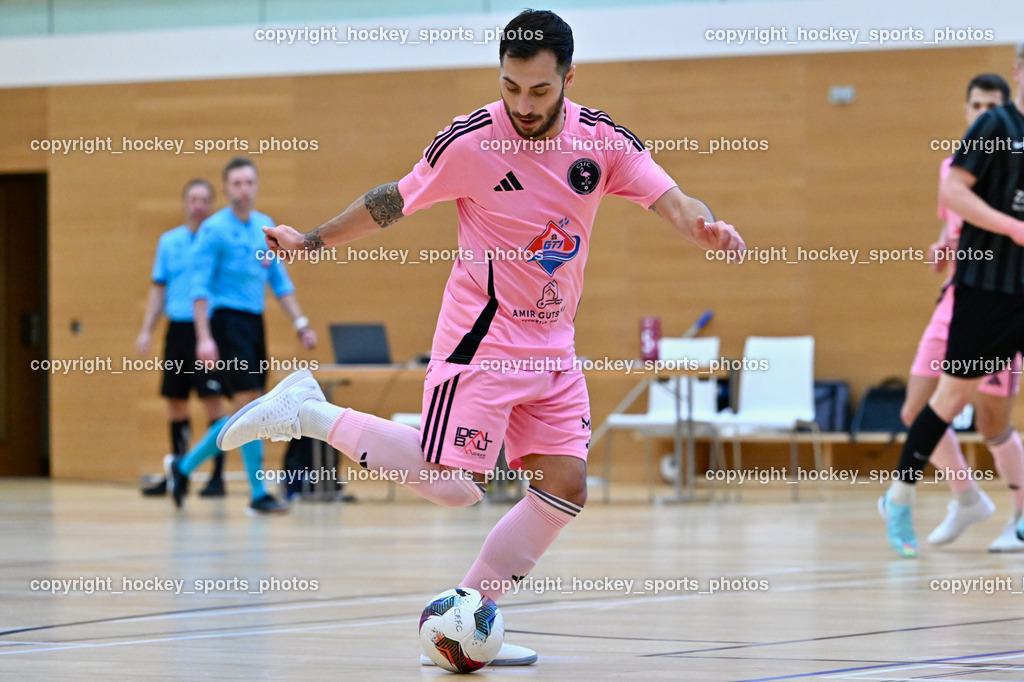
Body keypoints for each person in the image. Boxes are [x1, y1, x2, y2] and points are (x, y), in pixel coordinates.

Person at [217, 10, 744, 665]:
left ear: (569, 78)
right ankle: (308, 412)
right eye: (510, 87)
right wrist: (311, 240)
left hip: (553, 349)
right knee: (454, 484)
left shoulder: (601, 141)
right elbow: (393, 200)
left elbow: (674, 200)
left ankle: (467, 620)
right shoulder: (471, 143)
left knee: (565, 485)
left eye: (540, 91)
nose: (523, 105)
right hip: (481, 342)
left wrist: (705, 228)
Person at [881, 43, 1024, 558]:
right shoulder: (995, 128)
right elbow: (955, 195)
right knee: (943, 401)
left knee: (991, 419)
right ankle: (904, 497)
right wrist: (1012, 228)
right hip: (987, 290)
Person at [167, 157, 318, 515]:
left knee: (249, 408)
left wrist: (301, 324)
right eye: (236, 183)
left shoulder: (265, 227)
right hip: (226, 323)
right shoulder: (214, 230)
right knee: (250, 404)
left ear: (256, 186)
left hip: (254, 324)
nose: (243, 189)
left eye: (249, 182)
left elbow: (280, 282)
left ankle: (184, 467)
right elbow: (199, 287)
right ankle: (257, 493)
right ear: (226, 188)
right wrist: (204, 338)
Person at [136, 179, 227, 497]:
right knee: (176, 402)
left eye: (204, 200)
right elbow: (158, 288)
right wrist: (146, 329)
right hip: (177, 329)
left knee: (213, 401)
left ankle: (217, 477)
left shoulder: (217, 241)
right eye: (193, 199)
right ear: (185, 203)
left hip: (209, 329)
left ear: (212, 204)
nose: (198, 205)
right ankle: (178, 473)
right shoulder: (169, 242)